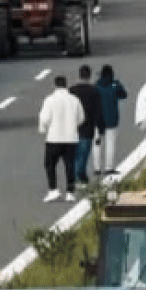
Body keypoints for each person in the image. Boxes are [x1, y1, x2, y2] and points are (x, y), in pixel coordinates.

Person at [38, 75, 84, 203]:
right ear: (66, 85)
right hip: (71, 138)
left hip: (54, 138)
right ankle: (70, 191)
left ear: (55, 85)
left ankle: (53, 190)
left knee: (50, 164)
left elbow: (45, 118)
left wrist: (43, 129)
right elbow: (81, 118)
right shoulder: (74, 100)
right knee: (69, 165)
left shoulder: (50, 100)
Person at [69, 65, 105, 188]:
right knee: (83, 154)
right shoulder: (94, 91)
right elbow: (98, 112)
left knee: (73, 154)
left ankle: (74, 177)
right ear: (89, 76)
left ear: (79, 75)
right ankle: (80, 174)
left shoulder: (71, 90)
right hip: (87, 127)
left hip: (71, 128)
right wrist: (100, 130)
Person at [93, 64, 128, 176]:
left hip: (97, 119)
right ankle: (109, 167)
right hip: (112, 119)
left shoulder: (96, 85)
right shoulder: (115, 84)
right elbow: (124, 95)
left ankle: (97, 168)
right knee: (110, 144)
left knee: (97, 143)